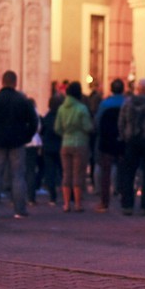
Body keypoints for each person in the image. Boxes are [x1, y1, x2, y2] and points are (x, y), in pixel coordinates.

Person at [0, 70, 37, 219]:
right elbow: (33, 121)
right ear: (15, 82)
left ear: (2, 82)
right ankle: (19, 210)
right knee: (18, 176)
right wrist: (26, 137)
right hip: (17, 142)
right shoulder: (22, 100)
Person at [117, 78, 145, 215]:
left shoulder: (128, 103)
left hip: (131, 141)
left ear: (138, 89)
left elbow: (121, 122)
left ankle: (127, 204)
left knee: (129, 173)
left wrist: (124, 136)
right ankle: (144, 205)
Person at [54, 81, 93, 213]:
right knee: (78, 174)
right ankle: (77, 204)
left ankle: (66, 204)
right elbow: (88, 127)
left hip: (65, 143)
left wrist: (65, 133)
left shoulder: (61, 108)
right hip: (80, 143)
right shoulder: (82, 108)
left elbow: (57, 128)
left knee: (66, 174)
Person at [94, 78, 126, 212]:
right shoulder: (127, 102)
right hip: (122, 140)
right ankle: (125, 200)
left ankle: (104, 202)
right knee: (125, 171)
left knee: (105, 173)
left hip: (106, 141)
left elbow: (97, 122)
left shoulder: (105, 103)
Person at [40, 94, 64, 207]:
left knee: (50, 171)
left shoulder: (47, 117)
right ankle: (67, 194)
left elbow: (42, 131)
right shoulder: (61, 116)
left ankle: (52, 196)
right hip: (60, 146)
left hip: (49, 146)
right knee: (63, 170)